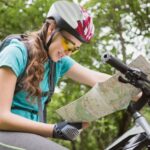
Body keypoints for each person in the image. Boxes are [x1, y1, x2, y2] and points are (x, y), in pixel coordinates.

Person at [0, 0, 111, 150]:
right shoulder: (16, 53)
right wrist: (55, 129)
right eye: (68, 44)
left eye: (74, 49)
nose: (68, 52)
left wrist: (136, 87)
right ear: (51, 28)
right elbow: (1, 117)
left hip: (29, 137)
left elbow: (96, 78)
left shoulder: (57, 62)